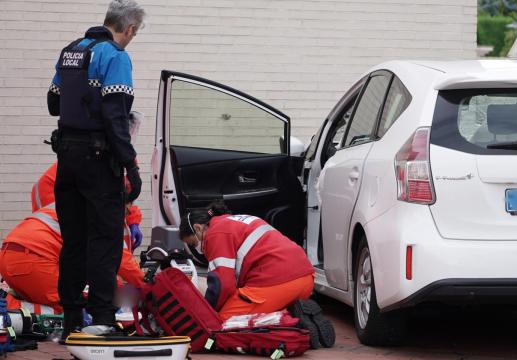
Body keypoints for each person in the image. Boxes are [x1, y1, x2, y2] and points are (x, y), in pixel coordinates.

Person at [46, 0, 145, 337]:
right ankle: (102, 319)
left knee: (73, 240)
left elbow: (53, 103)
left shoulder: (71, 51)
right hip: (99, 160)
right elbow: (115, 116)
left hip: (66, 158)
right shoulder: (115, 56)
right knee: (104, 240)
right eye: (135, 32)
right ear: (129, 28)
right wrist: (130, 166)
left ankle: (71, 319)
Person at [178, 200, 335, 348]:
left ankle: (293, 324)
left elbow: (223, 285)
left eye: (193, 243)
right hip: (305, 279)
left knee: (223, 323)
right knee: (240, 303)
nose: (196, 248)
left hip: (279, 282)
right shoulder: (237, 220)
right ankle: (295, 311)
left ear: (198, 228)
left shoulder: (215, 234)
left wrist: (208, 311)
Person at [0, 204, 144, 315]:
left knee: (65, 297)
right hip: (33, 260)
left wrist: (117, 286)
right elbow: (122, 262)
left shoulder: (77, 202)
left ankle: (7, 303)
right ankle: (11, 309)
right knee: (71, 308)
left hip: (10, 256)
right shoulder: (104, 217)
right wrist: (147, 286)